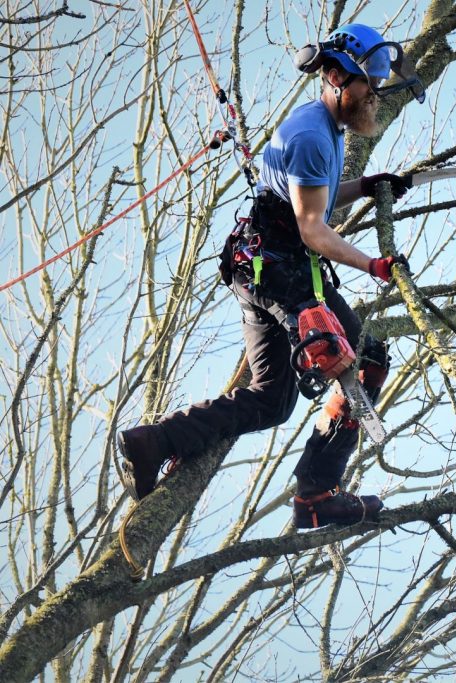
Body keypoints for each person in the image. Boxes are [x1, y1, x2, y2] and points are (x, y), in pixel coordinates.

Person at [117, 24, 424, 529]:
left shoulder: (322, 129)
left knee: (272, 399)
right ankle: (318, 493)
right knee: (363, 356)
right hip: (280, 270)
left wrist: (366, 185)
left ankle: (151, 442)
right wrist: (373, 265)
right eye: (368, 86)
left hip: (261, 266)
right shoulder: (309, 135)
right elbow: (312, 229)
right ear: (335, 76)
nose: (374, 96)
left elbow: (312, 198)